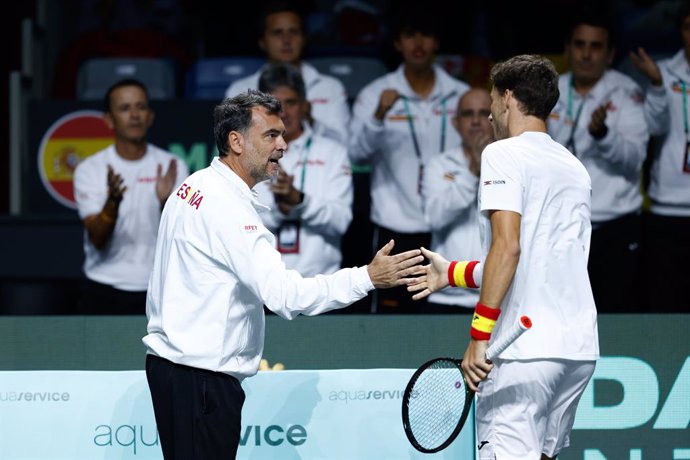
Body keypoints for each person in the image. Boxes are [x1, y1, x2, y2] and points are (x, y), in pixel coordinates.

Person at [143, 89, 423, 459]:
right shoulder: (228, 208)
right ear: (236, 141)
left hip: (174, 372)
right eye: (271, 135)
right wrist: (367, 278)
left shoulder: (193, 185)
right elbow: (286, 297)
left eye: (283, 134)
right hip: (201, 382)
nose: (283, 145)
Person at [408, 54, 599, 459]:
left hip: (522, 348)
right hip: (578, 351)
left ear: (508, 98)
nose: (492, 112)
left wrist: (479, 338)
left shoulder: (502, 154)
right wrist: (454, 273)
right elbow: (534, 262)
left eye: (494, 99)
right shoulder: (574, 167)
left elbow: (507, 247)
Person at [348, 3, 470, 313]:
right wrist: (378, 115)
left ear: (436, 42)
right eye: (410, 36)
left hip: (450, 223)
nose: (418, 44)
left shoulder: (460, 96)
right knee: (395, 321)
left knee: (444, 315)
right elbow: (356, 154)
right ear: (397, 43)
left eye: (426, 35)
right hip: (395, 224)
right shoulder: (377, 93)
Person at [546, 7, 649, 313]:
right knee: (562, 314)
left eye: (596, 46)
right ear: (567, 49)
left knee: (615, 316)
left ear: (610, 53)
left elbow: (635, 160)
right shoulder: (550, 90)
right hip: (561, 226)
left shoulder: (626, 92)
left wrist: (603, 135)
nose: (587, 55)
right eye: (579, 45)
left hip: (616, 228)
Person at [72, 78, 188, 314]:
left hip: (161, 288)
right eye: (125, 108)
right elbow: (97, 238)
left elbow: (187, 237)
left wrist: (166, 203)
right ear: (108, 120)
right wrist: (112, 202)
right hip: (103, 289)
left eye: (141, 107)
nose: (134, 115)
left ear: (151, 116)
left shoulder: (172, 166)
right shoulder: (90, 169)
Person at [256, 62, 353, 276]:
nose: (284, 112)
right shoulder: (248, 155)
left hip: (321, 287)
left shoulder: (333, 153)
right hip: (262, 286)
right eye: (275, 105)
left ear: (305, 105)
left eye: (291, 103)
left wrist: (300, 201)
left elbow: (341, 221)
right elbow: (237, 225)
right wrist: (280, 210)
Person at [628, 0, 690, 312]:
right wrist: (655, 85)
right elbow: (655, 127)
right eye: (689, 27)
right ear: (681, 31)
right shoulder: (663, 72)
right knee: (666, 302)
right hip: (667, 207)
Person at [224, 0, 351, 145]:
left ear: (304, 39)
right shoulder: (239, 91)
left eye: (293, 32)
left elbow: (346, 147)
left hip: (317, 166)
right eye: (277, 33)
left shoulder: (330, 87)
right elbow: (230, 148)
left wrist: (310, 121)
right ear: (262, 42)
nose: (286, 40)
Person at [421, 87, 493, 312]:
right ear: (455, 122)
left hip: (496, 295)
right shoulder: (438, 165)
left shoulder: (512, 164)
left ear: (495, 118)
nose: (475, 121)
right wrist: (473, 172)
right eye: (467, 114)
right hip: (446, 295)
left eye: (483, 113)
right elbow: (434, 218)